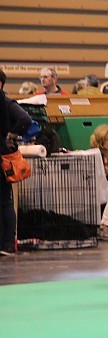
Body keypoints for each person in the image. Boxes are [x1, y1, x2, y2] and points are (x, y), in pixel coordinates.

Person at [0, 89, 32, 256]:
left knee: (5, 201)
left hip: (3, 156)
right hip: (4, 153)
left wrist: (10, 134)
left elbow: (25, 119)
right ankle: (7, 244)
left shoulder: (6, 102)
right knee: (5, 200)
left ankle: (7, 243)